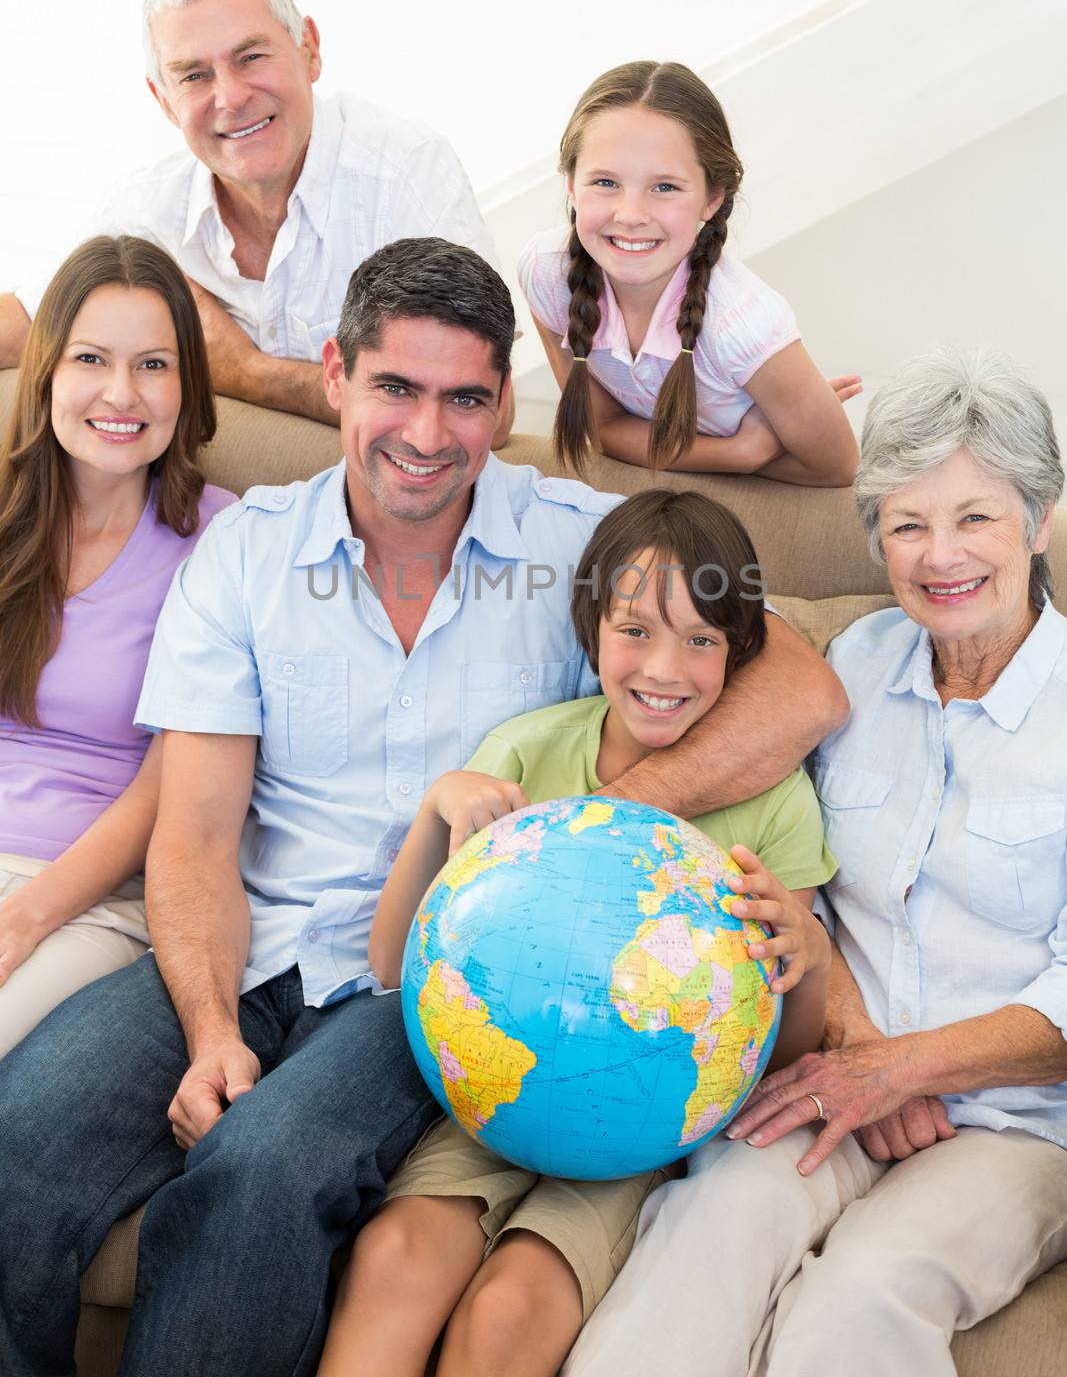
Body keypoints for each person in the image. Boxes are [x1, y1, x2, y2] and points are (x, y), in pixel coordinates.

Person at [0, 238, 845, 1377]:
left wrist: (588, 832)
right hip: (237, 949)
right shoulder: (247, 554)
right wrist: (207, 1034)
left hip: (434, 974)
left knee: (259, 1175)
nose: (425, 432)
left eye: (462, 399)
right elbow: (195, 836)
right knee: (18, 1146)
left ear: (502, 405)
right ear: (335, 375)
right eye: (394, 386)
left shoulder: (572, 542)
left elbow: (803, 679)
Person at [565, 349, 1067, 1377]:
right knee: (706, 1227)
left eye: (974, 516)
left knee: (861, 1290)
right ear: (872, 535)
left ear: (1038, 518)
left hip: (1019, 1128)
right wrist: (858, 1047)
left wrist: (907, 1068)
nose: (940, 555)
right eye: (905, 522)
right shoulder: (850, 664)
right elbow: (800, 889)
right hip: (836, 1075)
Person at [318, 489, 835, 1377]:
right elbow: (390, 959)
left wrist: (809, 958)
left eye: (701, 639)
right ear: (589, 628)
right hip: (496, 1096)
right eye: (634, 630)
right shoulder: (524, 753)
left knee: (511, 1309)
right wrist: (437, 810)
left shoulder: (777, 801)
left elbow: (782, 1053)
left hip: (643, 1129)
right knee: (394, 1253)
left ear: (740, 651)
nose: (663, 667)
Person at [0, 0, 512, 439]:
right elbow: (27, 325)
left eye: (250, 56)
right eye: (194, 75)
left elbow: (487, 412)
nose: (231, 96)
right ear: (165, 101)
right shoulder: (144, 213)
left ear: (308, 50)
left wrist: (246, 370)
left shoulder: (404, 174)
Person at [0, 234, 232, 1057]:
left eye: (154, 365)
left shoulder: (223, 542)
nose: (121, 394)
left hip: (87, 895)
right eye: (92, 358)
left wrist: (23, 918)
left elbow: (169, 789)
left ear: (186, 384)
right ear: (49, 371)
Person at [519, 60, 860, 483]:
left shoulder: (744, 324)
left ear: (712, 198)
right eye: (605, 182)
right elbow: (601, 429)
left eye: (665, 187)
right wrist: (742, 452)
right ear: (570, 182)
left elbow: (837, 466)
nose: (630, 214)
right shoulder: (548, 275)